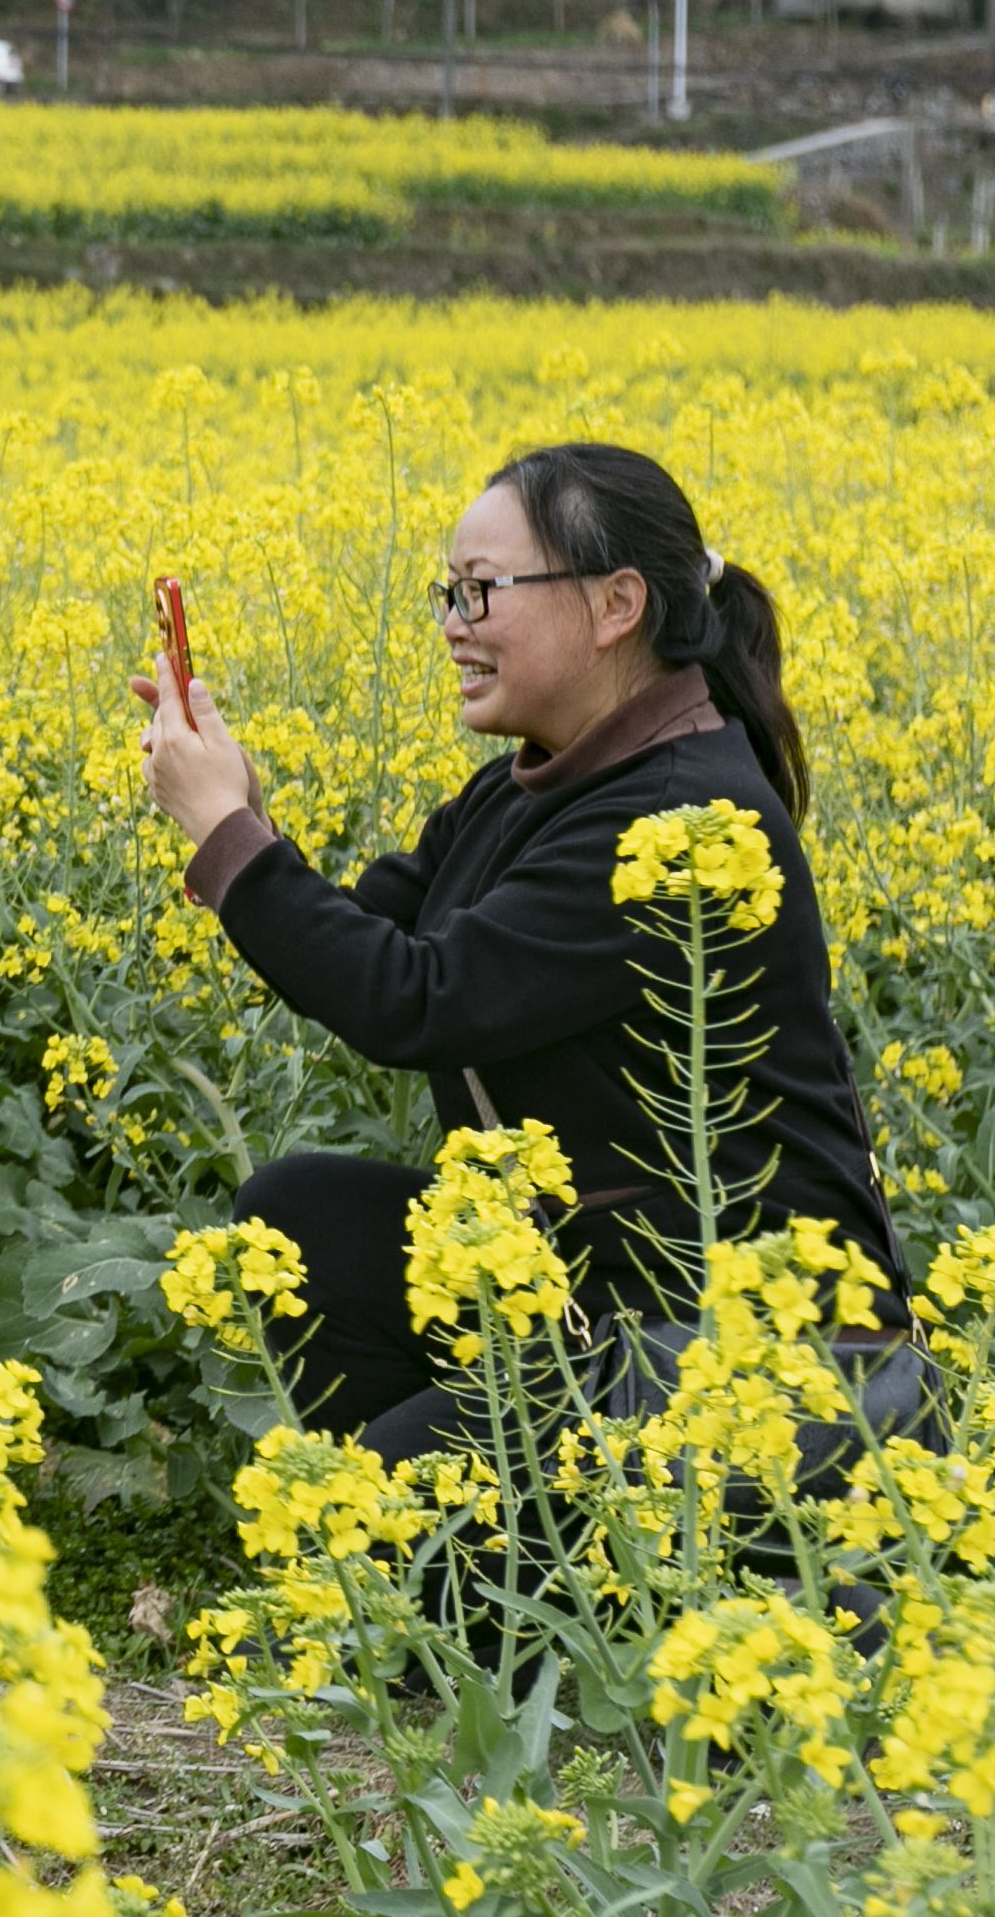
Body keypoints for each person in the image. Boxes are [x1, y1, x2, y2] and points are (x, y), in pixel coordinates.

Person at [137, 441, 914, 1468]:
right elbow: (375, 936)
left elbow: (414, 1002)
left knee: (391, 1516)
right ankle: (485, 1494)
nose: (454, 628)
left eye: (481, 593)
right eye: (447, 596)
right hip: (592, 1293)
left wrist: (225, 832)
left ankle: (525, 1526)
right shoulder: (541, 781)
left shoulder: (681, 818)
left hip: (753, 1358)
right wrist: (237, 809)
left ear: (614, 606)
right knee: (297, 1222)